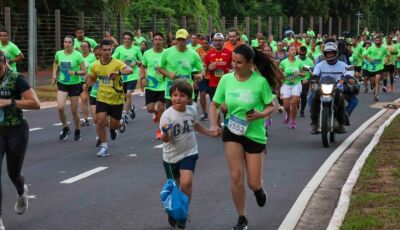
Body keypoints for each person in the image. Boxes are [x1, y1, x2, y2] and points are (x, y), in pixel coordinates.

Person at [209, 44, 283, 230]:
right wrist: (213, 124)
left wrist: (260, 114)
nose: (234, 65)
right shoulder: (226, 80)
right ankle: (242, 217)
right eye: (233, 61)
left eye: (239, 62)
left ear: (250, 63)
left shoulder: (260, 82)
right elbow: (214, 104)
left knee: (253, 182)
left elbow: (271, 105)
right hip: (233, 131)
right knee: (235, 176)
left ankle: (258, 190)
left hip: (255, 134)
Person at [160, 80, 218, 229]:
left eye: (182, 95)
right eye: (175, 95)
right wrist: (165, 133)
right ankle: (174, 209)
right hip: (171, 156)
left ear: (189, 97)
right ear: (170, 96)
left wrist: (209, 133)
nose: (178, 98)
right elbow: (165, 139)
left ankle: (183, 214)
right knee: (177, 187)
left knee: (186, 183)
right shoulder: (167, 116)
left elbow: (195, 124)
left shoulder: (191, 110)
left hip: (189, 152)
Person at [0, 52, 40, 230]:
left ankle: (21, 191)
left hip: (16, 129)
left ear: (5, 64)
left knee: (13, 173)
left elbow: (35, 103)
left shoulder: (16, 78)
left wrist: (9, 102)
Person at [87, 39, 132, 157]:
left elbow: (130, 70)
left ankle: (121, 123)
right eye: (104, 50)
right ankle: (104, 147)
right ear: (100, 51)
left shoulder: (117, 63)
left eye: (109, 50)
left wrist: (118, 73)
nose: (107, 52)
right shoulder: (95, 65)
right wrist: (87, 84)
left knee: (113, 125)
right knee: (99, 120)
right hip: (102, 97)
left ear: (112, 50)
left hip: (116, 99)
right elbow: (91, 79)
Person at [52, 35, 86, 141]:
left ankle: (77, 130)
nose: (67, 44)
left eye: (69, 42)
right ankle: (65, 127)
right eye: (65, 42)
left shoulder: (78, 55)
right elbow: (56, 62)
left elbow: (84, 71)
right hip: (62, 83)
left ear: (73, 44)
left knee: (74, 110)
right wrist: (54, 74)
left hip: (75, 84)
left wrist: (75, 72)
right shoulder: (59, 54)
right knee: (60, 107)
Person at [158, 29, 203, 108]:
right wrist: (169, 74)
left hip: (187, 89)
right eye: (179, 39)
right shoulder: (167, 52)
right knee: (171, 117)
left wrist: (201, 75)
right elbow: (159, 67)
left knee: (187, 116)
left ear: (187, 39)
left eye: (183, 39)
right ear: (176, 40)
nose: (181, 42)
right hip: (172, 90)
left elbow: (201, 68)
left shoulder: (193, 54)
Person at [310, 42, 348, 134]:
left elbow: (348, 73)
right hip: (323, 88)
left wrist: (347, 78)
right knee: (312, 97)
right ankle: (315, 123)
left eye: (332, 53)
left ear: (335, 53)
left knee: (342, 99)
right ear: (325, 54)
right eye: (328, 53)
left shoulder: (342, 65)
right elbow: (315, 73)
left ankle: (341, 124)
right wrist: (314, 77)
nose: (330, 54)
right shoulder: (320, 65)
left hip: (337, 88)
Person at [112, 31, 143, 123]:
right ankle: (131, 107)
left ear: (132, 40)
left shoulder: (136, 49)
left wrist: (136, 62)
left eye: (128, 39)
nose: (126, 40)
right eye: (125, 39)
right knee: (124, 96)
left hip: (132, 75)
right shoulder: (119, 49)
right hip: (122, 75)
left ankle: (124, 114)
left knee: (128, 94)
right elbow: (113, 60)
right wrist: (120, 62)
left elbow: (141, 61)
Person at [140, 32, 166, 139]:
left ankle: (160, 130)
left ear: (163, 41)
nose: (158, 41)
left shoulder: (167, 53)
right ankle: (155, 113)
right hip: (151, 85)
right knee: (150, 109)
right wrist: (142, 78)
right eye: (156, 39)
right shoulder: (147, 53)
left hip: (163, 84)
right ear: (153, 41)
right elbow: (142, 66)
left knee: (160, 107)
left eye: (160, 39)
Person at [279, 45, 304, 128]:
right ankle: (288, 114)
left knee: (293, 103)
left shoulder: (299, 62)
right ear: (288, 52)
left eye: (295, 49)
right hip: (286, 84)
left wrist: (299, 73)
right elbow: (279, 72)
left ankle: (293, 121)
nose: (294, 51)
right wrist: (282, 74)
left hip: (296, 84)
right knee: (286, 106)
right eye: (292, 49)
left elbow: (303, 73)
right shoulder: (283, 62)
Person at [86, 46, 102, 147]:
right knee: (96, 119)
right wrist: (86, 83)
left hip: (106, 95)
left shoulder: (109, 65)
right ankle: (100, 137)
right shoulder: (92, 65)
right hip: (94, 94)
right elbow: (89, 80)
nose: (98, 56)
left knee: (104, 120)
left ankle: (113, 128)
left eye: (99, 54)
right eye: (96, 55)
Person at [364, 36, 388, 101]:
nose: (377, 41)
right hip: (371, 68)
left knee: (377, 79)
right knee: (373, 81)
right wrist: (369, 59)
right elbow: (365, 55)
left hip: (380, 67)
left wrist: (386, 60)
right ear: (374, 41)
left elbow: (387, 55)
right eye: (376, 40)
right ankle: (374, 87)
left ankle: (376, 95)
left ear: (381, 41)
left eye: (379, 40)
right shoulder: (371, 48)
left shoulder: (383, 48)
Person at [196, 35, 212, 121]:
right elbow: (196, 64)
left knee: (213, 97)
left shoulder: (213, 50)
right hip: (202, 76)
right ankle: (204, 113)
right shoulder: (198, 51)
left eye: (206, 43)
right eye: (203, 43)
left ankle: (215, 112)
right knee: (202, 94)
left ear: (209, 43)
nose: (204, 45)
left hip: (213, 76)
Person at [79, 41, 96, 126]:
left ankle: (98, 115)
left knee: (94, 99)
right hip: (81, 81)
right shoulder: (78, 56)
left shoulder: (93, 57)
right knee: (84, 99)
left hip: (92, 80)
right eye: (81, 46)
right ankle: (85, 119)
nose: (83, 47)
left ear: (89, 48)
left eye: (85, 46)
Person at [296, 46, 314, 117]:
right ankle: (296, 106)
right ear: (299, 52)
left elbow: (312, 73)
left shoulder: (310, 61)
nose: (301, 55)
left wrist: (308, 79)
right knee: (296, 95)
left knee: (303, 95)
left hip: (306, 80)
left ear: (306, 53)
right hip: (296, 80)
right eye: (300, 54)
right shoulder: (295, 59)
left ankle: (302, 110)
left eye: (303, 54)